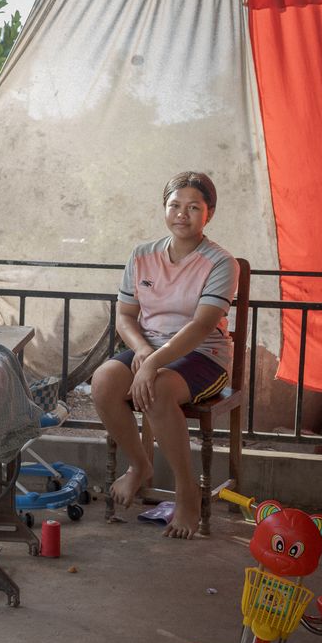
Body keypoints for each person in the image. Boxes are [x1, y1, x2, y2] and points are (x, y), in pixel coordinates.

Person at [91, 171, 239, 540]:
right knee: (103, 381)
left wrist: (153, 363)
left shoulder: (221, 262)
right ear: (164, 208)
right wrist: (143, 351)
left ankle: (188, 493)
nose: (182, 214)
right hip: (150, 348)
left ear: (210, 213)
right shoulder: (142, 255)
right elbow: (125, 316)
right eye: (175, 205)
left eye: (193, 207)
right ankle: (140, 466)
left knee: (155, 390)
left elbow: (202, 326)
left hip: (203, 355)